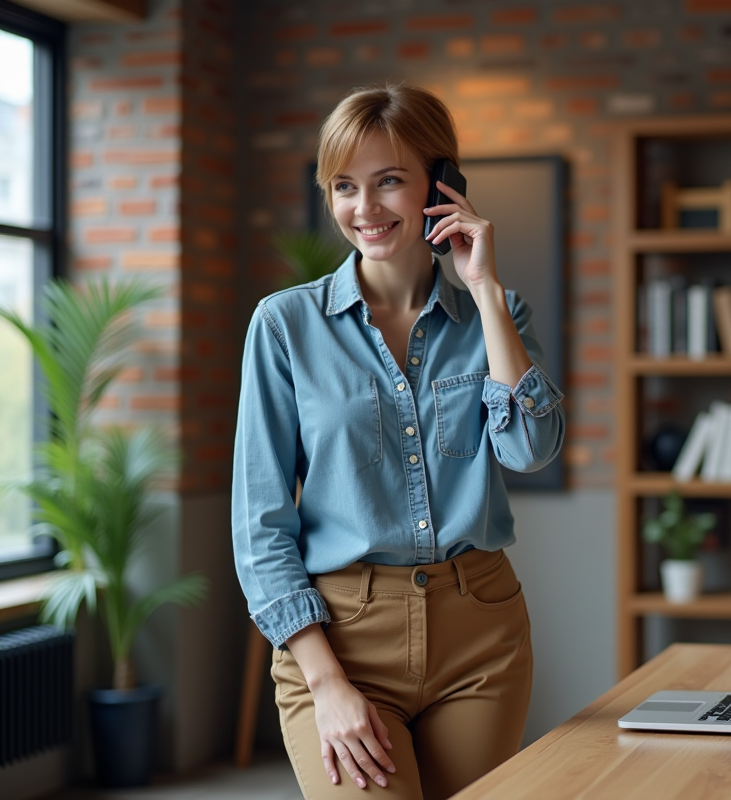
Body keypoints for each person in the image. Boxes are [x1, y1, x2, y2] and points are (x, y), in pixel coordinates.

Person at [231, 84, 565, 800]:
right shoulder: (286, 325)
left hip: (481, 636)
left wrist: (485, 291)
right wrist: (326, 684)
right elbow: (260, 525)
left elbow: (530, 449)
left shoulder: (495, 315)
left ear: (441, 186)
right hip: (343, 640)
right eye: (344, 186)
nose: (365, 209)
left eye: (389, 181)